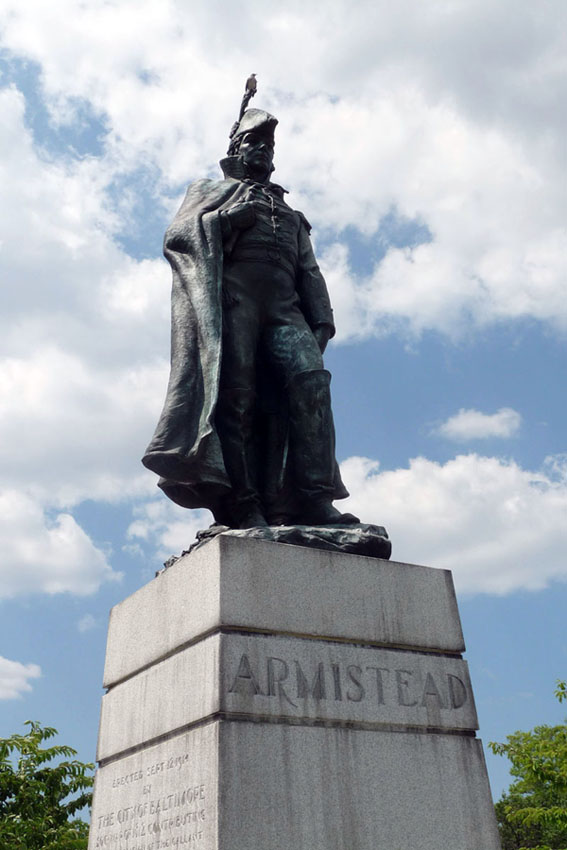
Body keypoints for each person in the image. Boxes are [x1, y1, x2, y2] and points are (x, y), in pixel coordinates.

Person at [142, 106, 358, 530]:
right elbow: (178, 237)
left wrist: (322, 320)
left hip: (284, 310)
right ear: (236, 149)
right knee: (236, 398)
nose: (262, 150)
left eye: (268, 145)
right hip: (235, 304)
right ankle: (244, 503)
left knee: (312, 384)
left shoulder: (289, 213)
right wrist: (223, 221)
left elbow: (308, 269)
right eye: (253, 142)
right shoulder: (209, 190)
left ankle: (315, 499)